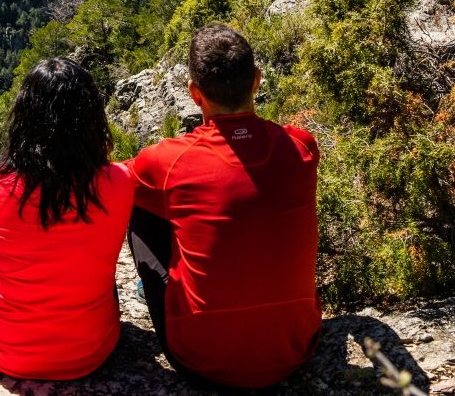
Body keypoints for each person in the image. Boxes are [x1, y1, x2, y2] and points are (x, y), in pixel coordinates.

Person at [127, 24, 321, 389]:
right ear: (257, 81)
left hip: (201, 361)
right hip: (295, 351)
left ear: (194, 94)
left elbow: (108, 182)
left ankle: (153, 292)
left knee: (140, 206)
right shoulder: (302, 147)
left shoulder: (167, 161)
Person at [0, 57, 134, 380]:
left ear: (24, 118)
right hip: (92, 351)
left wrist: (2, 164)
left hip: (2, 350)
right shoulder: (119, 181)